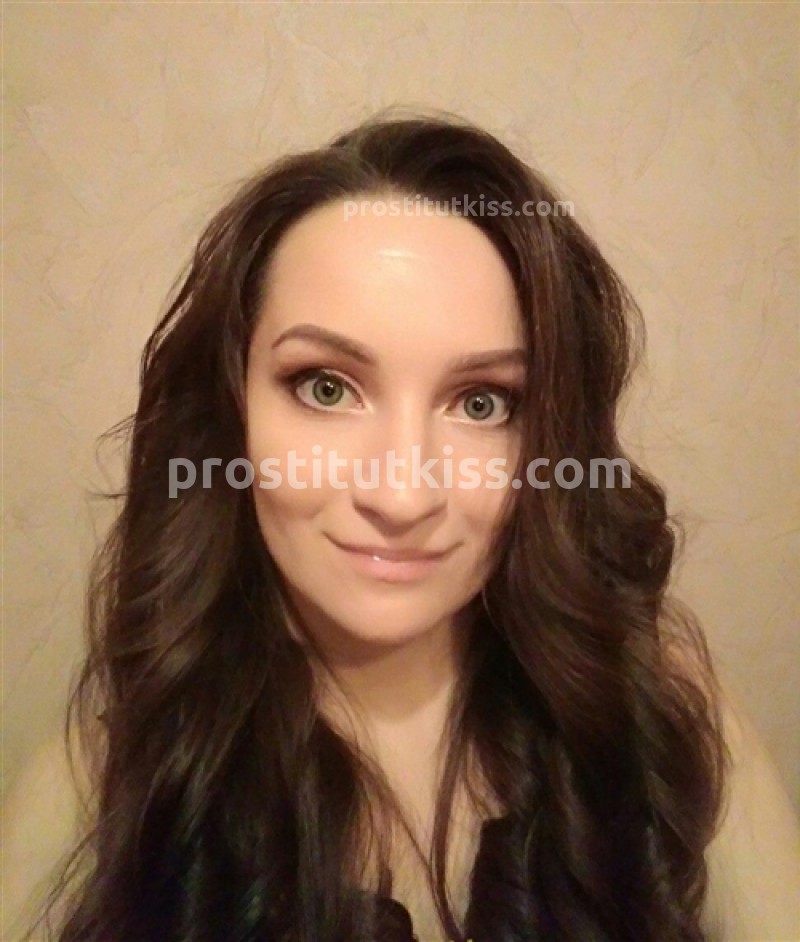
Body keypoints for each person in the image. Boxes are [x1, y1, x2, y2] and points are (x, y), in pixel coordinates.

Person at [4, 110, 799, 942]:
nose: (402, 495)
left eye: (483, 404)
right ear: (230, 410)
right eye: (325, 387)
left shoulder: (661, 717)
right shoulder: (100, 790)